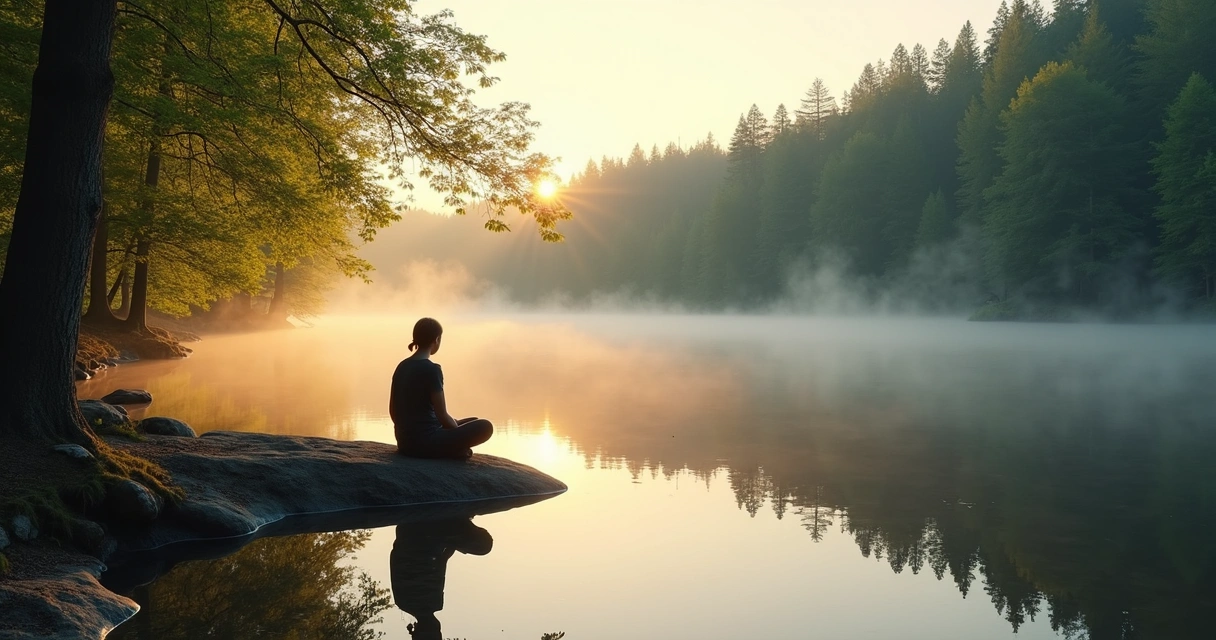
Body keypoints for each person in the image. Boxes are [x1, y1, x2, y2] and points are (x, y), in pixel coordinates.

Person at [390, 317, 493, 459]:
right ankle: (454, 450)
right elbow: (442, 415)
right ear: (437, 339)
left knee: (473, 420)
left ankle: (454, 444)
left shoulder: (402, 367)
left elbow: (393, 412)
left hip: (404, 442)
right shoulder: (432, 370)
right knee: (485, 426)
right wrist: (457, 435)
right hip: (426, 443)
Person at [392, 518, 494, 640]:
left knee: (483, 547)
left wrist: (453, 546)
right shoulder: (402, 603)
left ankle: (457, 517)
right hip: (405, 532)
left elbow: (440, 564)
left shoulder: (434, 603)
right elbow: (394, 557)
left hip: (425, 536)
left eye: (437, 631)